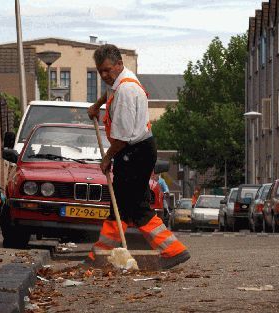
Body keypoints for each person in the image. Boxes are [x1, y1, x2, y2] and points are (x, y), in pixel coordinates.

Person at [86, 44, 190, 269]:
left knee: (123, 207)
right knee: (134, 207)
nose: (104, 75)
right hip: (137, 151)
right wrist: (97, 105)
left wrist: (107, 159)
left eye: (107, 70)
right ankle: (173, 250)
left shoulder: (125, 91)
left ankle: (100, 255)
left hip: (133, 152)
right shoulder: (121, 81)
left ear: (119, 65)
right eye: (100, 71)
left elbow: (122, 137)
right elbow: (109, 92)